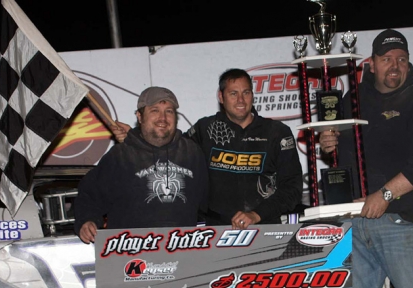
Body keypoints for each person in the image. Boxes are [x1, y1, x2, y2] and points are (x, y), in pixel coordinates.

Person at [319, 29, 413, 288]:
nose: (395, 66)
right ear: (372, 64)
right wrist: (329, 143)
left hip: (403, 222)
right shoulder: (352, 101)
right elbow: (341, 157)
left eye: (401, 59)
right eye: (387, 59)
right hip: (354, 220)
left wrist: (385, 194)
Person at [113, 68, 303, 229]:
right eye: (233, 93)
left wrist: (256, 214)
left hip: (265, 227)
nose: (241, 100)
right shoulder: (205, 129)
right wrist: (136, 136)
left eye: (246, 92)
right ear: (221, 97)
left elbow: (292, 188)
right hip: (217, 230)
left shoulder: (277, 132)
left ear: (252, 95)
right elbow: (167, 151)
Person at [74, 86, 209, 244]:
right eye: (154, 110)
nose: (162, 118)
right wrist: (86, 221)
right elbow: (90, 195)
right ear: (139, 116)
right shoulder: (120, 156)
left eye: (169, 111)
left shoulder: (192, 153)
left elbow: (210, 202)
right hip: (131, 256)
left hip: (182, 253)